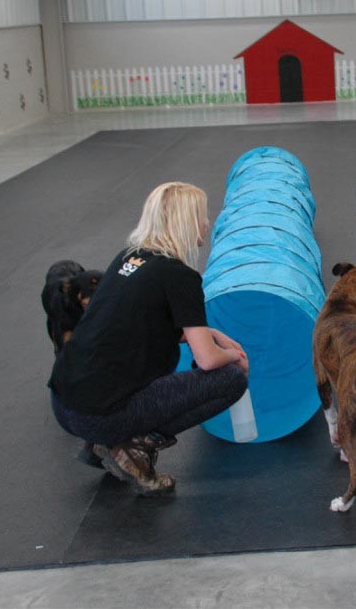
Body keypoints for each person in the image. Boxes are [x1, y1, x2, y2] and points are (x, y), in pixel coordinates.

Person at [48, 182, 249, 496]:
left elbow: (148, 322)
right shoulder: (180, 276)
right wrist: (235, 356)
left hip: (63, 404)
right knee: (231, 379)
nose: (207, 223)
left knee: (145, 364)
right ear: (184, 221)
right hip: (99, 417)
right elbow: (208, 359)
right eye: (201, 216)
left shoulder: (128, 258)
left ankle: (103, 444)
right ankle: (132, 450)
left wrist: (215, 334)